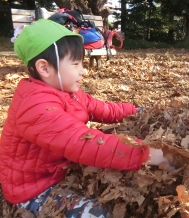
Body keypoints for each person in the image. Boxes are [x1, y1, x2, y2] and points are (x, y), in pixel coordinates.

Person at [0, 19, 169, 217]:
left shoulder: (66, 92)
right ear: (44, 68)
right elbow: (82, 142)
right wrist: (147, 153)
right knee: (99, 214)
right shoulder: (35, 107)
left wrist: (138, 111)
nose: (83, 70)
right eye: (75, 64)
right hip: (34, 189)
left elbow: (103, 109)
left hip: (57, 170)